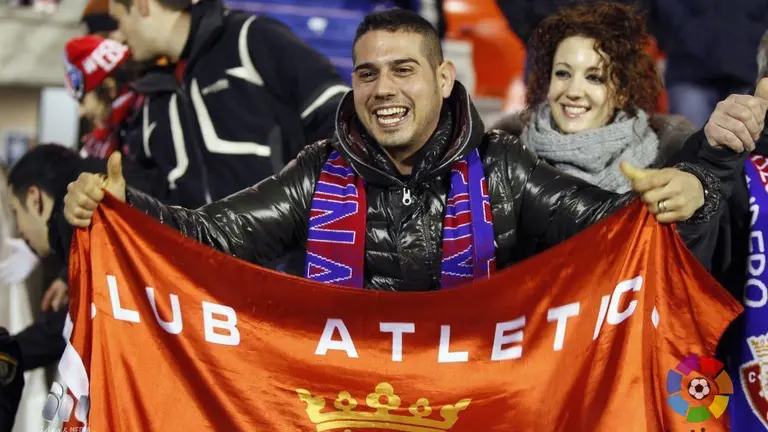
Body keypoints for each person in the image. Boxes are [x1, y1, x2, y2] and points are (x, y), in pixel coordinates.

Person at [66, 10, 739, 291]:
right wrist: (130, 211)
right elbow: (216, 233)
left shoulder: (503, 170)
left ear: (445, 80)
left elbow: (623, 235)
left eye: (403, 70)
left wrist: (695, 195)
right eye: (367, 73)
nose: (383, 89)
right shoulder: (318, 171)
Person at [107, 0, 350, 202]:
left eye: (119, 22)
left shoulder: (250, 38)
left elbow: (338, 114)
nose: (118, 37)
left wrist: (307, 212)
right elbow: (150, 194)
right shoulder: (151, 98)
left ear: (142, 6)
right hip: (201, 260)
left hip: (287, 255)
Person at [491, 2, 700, 195]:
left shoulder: (670, 158)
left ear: (621, 93)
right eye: (563, 73)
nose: (574, 91)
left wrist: (698, 197)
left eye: (594, 78)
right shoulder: (504, 153)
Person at [649, 0, 768, 128]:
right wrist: (673, 36)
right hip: (688, 70)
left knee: (749, 140)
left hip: (747, 70)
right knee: (686, 140)